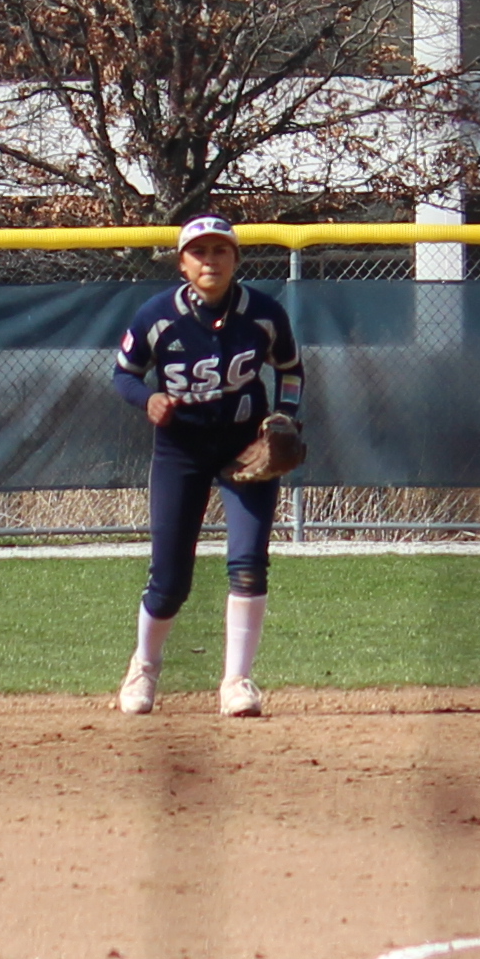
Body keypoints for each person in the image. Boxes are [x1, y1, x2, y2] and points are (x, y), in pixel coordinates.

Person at [107, 213, 305, 719]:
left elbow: (290, 370)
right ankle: (144, 667)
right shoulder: (157, 316)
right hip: (181, 450)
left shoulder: (263, 314)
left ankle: (236, 681)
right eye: (199, 252)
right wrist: (147, 399)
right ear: (182, 264)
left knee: (248, 565)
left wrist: (284, 417)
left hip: (245, 448)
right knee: (170, 580)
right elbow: (124, 374)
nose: (210, 260)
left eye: (220, 250)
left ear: (236, 259)